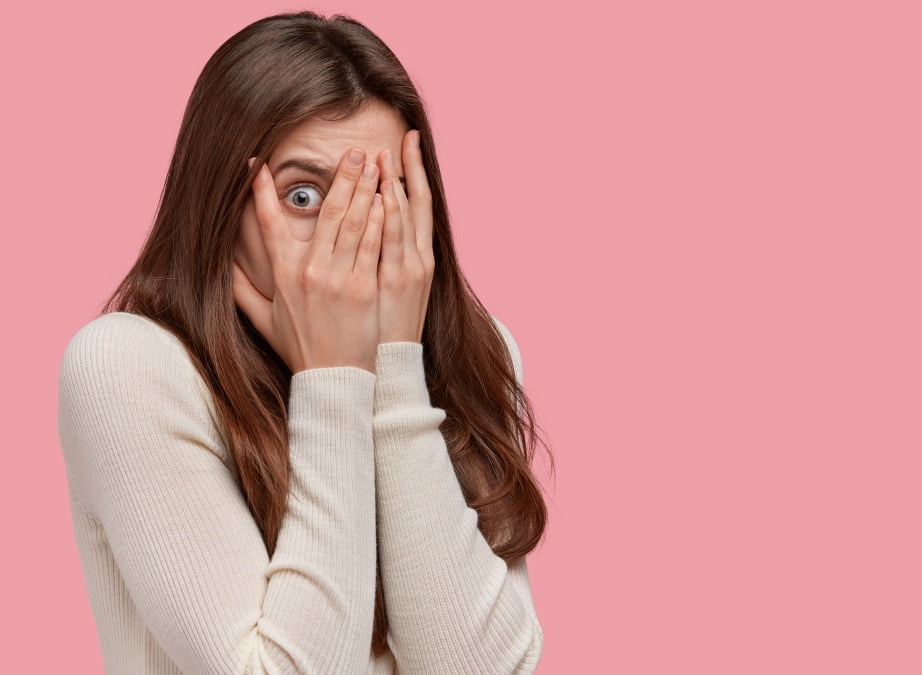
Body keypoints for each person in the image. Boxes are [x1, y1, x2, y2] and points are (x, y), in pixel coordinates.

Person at [56, 10, 551, 674]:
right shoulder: (129, 368)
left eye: (383, 193)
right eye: (303, 195)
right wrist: (333, 379)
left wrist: (396, 370)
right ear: (221, 203)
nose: (349, 233)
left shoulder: (475, 349)